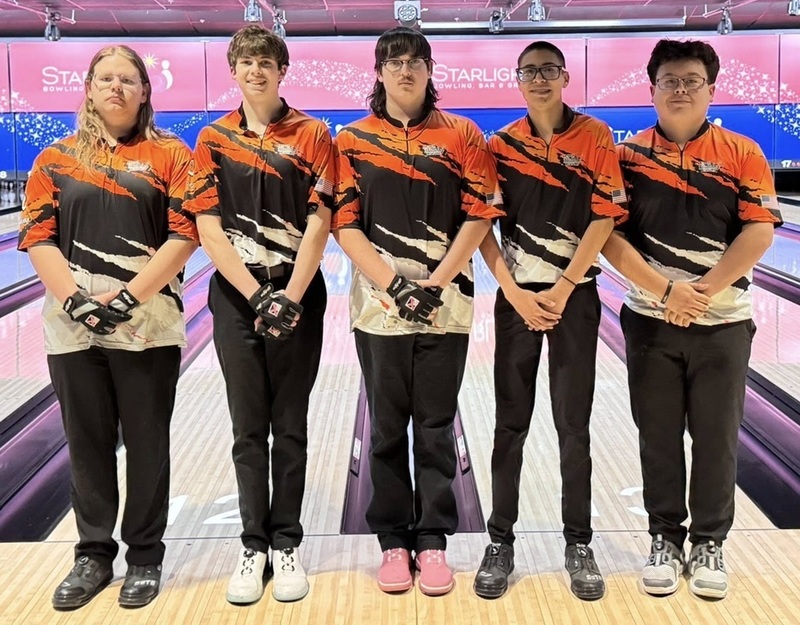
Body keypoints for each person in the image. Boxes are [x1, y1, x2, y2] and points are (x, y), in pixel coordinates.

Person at [18, 45, 199, 610]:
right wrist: (74, 298)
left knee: (147, 444)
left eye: (128, 79)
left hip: (147, 323)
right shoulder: (54, 157)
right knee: (87, 442)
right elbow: (37, 237)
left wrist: (125, 297)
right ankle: (93, 554)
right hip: (73, 329)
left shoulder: (172, 155)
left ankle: (144, 555)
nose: (116, 88)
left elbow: (185, 234)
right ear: (89, 88)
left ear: (146, 89)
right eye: (106, 79)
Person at [602, 39, 782, 600]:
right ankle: (664, 537)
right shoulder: (627, 158)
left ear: (711, 88)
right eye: (670, 80)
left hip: (723, 321)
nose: (680, 89)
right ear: (651, 87)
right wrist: (665, 292)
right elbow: (609, 235)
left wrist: (701, 291)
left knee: (716, 437)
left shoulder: (742, 151)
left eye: (691, 81)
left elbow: (759, 229)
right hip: (650, 320)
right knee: (657, 436)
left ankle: (709, 541)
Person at [332, 26, 504, 597]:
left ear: (430, 71)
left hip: (444, 304)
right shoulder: (352, 139)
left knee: (434, 426)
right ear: (378, 72)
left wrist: (436, 279)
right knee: (385, 427)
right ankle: (392, 543)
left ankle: (432, 540)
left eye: (415, 61)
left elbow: (478, 214)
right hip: (378, 307)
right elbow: (345, 223)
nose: (405, 70)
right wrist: (392, 284)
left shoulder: (462, 135)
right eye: (394, 61)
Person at [472, 41, 628, 601]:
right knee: (509, 426)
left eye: (549, 71)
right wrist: (511, 290)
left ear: (565, 77)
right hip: (517, 301)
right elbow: (483, 223)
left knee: (573, 426)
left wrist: (564, 286)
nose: (540, 80)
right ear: (518, 80)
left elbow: (606, 215)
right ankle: (500, 542)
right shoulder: (500, 145)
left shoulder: (596, 137)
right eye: (529, 72)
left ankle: (578, 543)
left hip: (575, 298)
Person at [184, 25, 334, 605]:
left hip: (297, 290)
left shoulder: (314, 134)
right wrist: (254, 295)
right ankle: (253, 544)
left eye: (265, 61)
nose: (255, 70)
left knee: (289, 425)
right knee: (249, 427)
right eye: (245, 61)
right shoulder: (213, 138)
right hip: (237, 297)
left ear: (282, 69)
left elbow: (321, 220)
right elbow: (209, 226)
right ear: (233, 70)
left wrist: (290, 295)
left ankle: (286, 542)